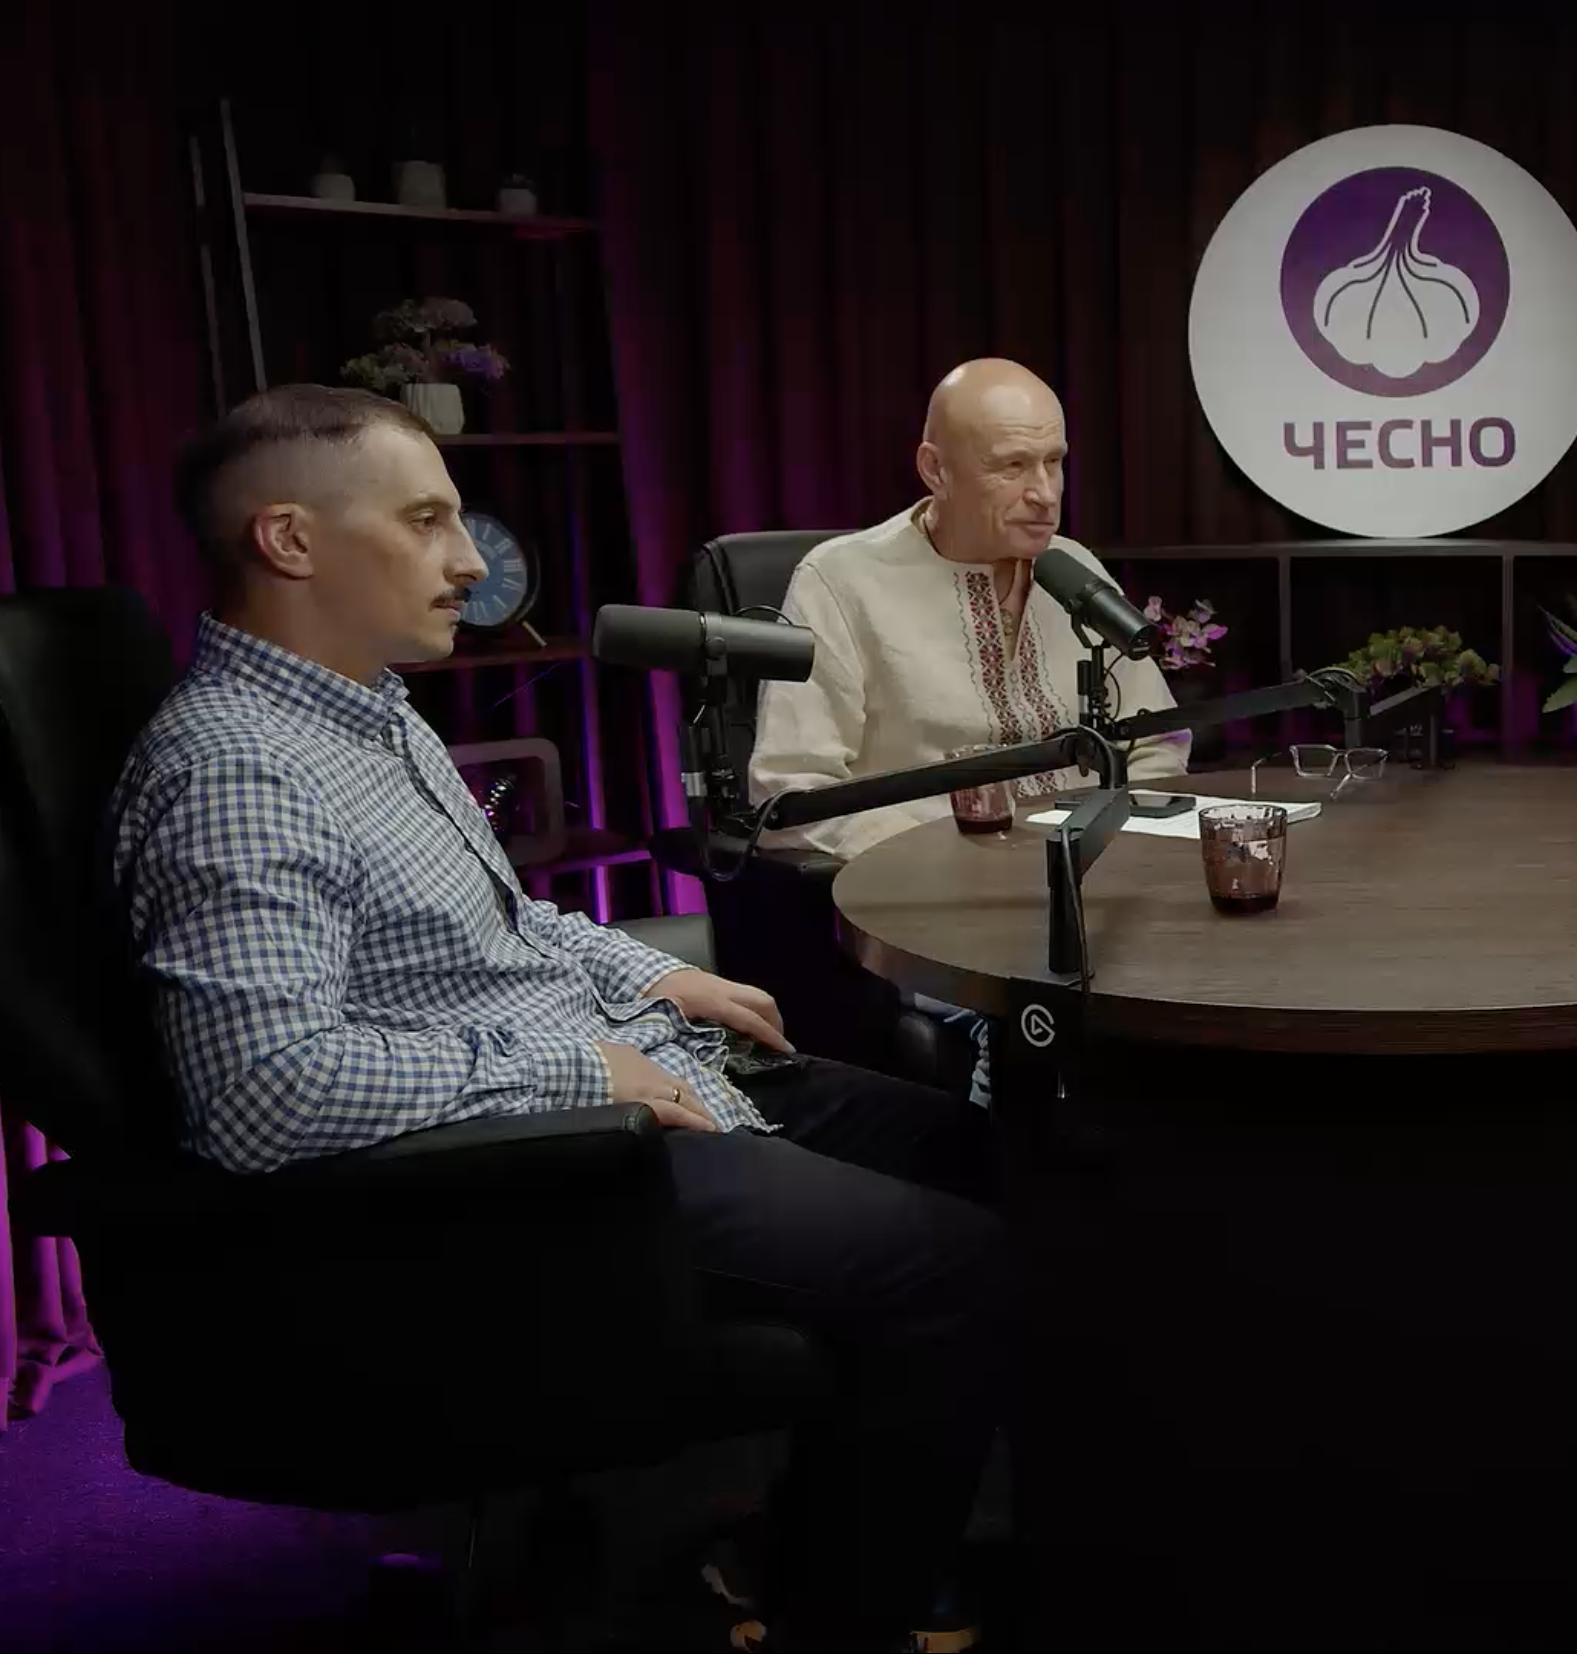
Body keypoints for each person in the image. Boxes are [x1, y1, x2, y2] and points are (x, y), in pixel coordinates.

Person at [110, 385, 1000, 1652]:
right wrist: (583, 1067)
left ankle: (825, 1534)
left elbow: (503, 921)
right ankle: (839, 1614)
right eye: (425, 521)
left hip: (629, 1076)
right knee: (952, 1264)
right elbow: (267, 1090)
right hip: (530, 1177)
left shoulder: (367, 710)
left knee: (997, 1156)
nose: (472, 562)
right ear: (290, 540)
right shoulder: (238, 770)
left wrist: (649, 975)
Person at [748, 356, 1189, 861]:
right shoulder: (840, 582)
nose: (1045, 494)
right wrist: (948, 862)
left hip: (1093, 872)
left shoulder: (1074, 567)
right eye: (1012, 466)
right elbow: (791, 790)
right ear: (935, 470)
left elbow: (1157, 741)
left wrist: (1123, 842)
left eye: (1053, 461)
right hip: (926, 884)